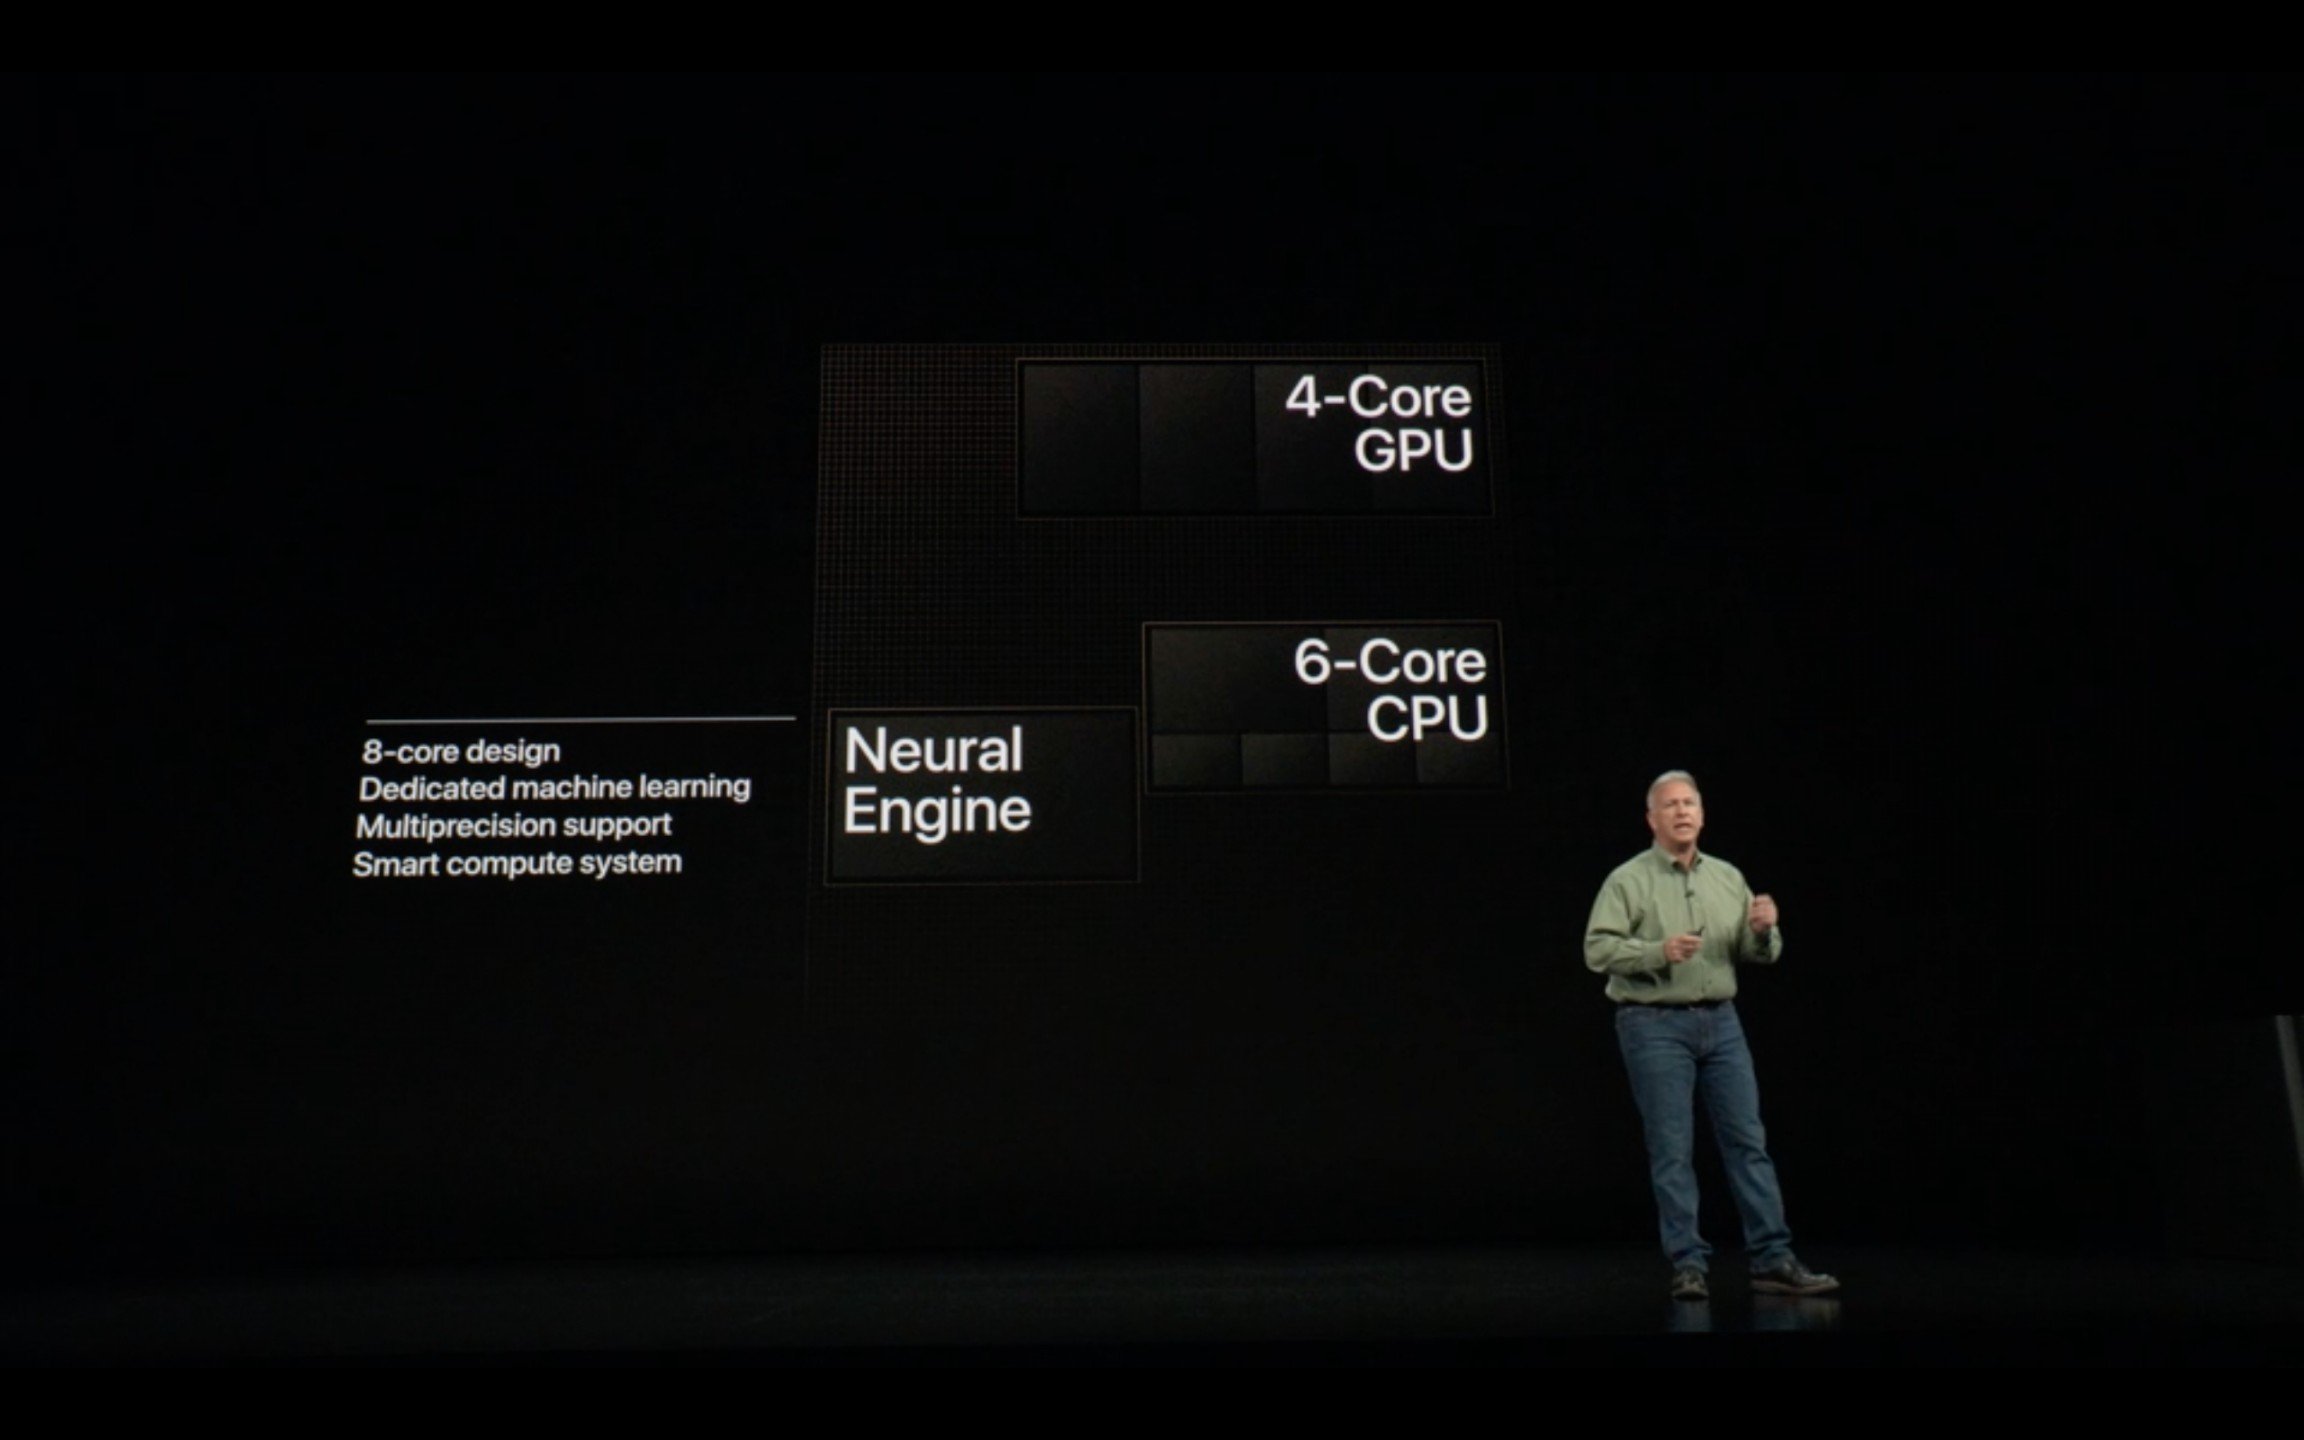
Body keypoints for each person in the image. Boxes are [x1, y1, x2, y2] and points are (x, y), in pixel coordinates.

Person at [1584, 770, 1838, 1300]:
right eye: (1670, 805)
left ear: (1701, 814)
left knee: (1748, 1142)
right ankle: (1688, 1264)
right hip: (1653, 1024)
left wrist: (1763, 931)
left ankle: (1772, 1259)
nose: (1682, 811)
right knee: (1673, 1149)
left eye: (1689, 803)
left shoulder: (1726, 876)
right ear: (1651, 819)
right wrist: (1657, 951)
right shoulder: (1627, 880)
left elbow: (1752, 952)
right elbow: (1597, 950)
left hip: (1722, 1021)